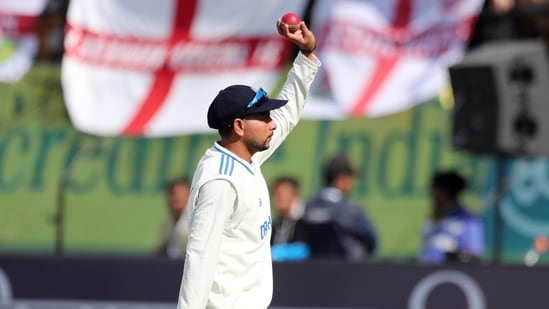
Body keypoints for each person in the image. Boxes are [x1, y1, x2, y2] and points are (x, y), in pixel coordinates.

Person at [177, 19, 319, 309]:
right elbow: (199, 259)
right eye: (264, 117)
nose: (271, 123)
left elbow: (287, 115)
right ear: (239, 126)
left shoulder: (246, 158)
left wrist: (305, 56)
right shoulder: (220, 182)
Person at [301, 154, 378, 261]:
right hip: (348, 272)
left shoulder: (308, 207)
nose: (352, 183)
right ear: (342, 178)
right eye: (351, 177)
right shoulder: (352, 210)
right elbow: (372, 240)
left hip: (313, 272)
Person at [419, 170, 485, 264]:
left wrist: (453, 252)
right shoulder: (431, 221)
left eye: (434, 190)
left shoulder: (468, 221)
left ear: (445, 192)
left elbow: (473, 256)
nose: (431, 195)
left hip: (451, 275)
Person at [270, 176, 310, 261]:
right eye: (276, 193)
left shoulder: (305, 222)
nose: (279, 197)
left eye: (284, 192)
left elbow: (305, 249)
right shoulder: (272, 225)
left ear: (294, 195)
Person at [156, 177, 191, 259]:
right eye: (172, 193)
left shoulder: (196, 221)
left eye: (180, 193)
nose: (176, 197)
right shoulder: (168, 223)